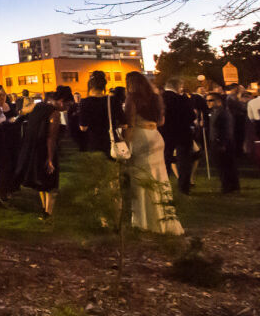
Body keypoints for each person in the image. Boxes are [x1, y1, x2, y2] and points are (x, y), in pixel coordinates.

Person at [124, 71, 184, 235]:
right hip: (156, 136)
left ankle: (145, 221)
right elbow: (161, 121)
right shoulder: (155, 97)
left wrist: (126, 146)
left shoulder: (132, 98)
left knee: (142, 180)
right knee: (159, 178)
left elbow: (129, 124)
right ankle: (165, 219)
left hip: (140, 136)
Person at [13, 85, 71, 220]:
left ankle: (44, 210)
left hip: (33, 149)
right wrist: (50, 159)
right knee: (50, 182)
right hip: (45, 150)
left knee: (40, 181)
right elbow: (51, 138)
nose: (67, 108)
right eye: (67, 104)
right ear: (61, 101)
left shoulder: (37, 106)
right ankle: (48, 213)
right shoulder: (54, 114)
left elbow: (22, 111)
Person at [160, 79, 196, 195]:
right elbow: (191, 116)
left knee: (165, 159)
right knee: (184, 161)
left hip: (165, 133)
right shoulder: (182, 99)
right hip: (183, 132)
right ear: (178, 87)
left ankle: (162, 186)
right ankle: (184, 187)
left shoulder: (159, 98)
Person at [77, 70, 125, 155]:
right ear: (104, 86)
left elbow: (83, 128)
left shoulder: (85, 102)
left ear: (90, 86)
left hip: (94, 141)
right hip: (112, 140)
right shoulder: (113, 100)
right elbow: (124, 124)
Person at [206, 91, 239, 194]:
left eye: (211, 100)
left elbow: (226, 130)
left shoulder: (223, 113)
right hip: (217, 141)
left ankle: (228, 187)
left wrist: (222, 143)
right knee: (224, 165)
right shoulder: (214, 112)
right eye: (207, 100)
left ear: (218, 101)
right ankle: (232, 186)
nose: (208, 103)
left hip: (222, 142)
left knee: (224, 166)